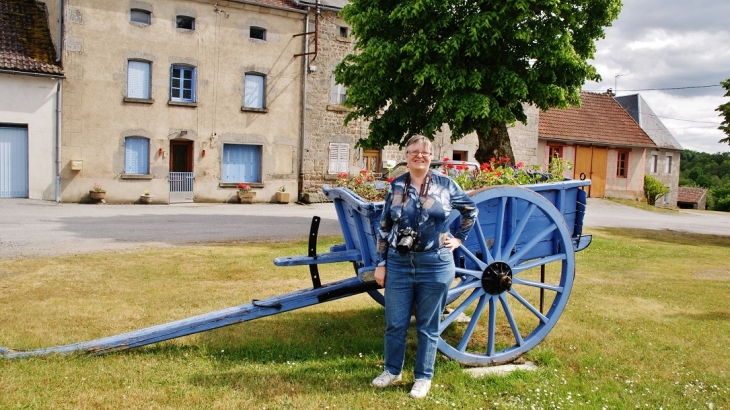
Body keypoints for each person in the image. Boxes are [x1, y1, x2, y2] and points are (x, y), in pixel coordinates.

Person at [371, 135, 478, 399]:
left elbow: (470, 211)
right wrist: (381, 263)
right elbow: (384, 227)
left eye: (425, 152)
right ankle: (392, 370)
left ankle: (423, 377)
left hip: (435, 264)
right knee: (395, 323)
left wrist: (458, 239)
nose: (419, 156)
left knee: (428, 326)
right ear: (406, 155)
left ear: (432, 156)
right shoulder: (396, 186)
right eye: (414, 151)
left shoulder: (446, 184)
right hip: (398, 262)